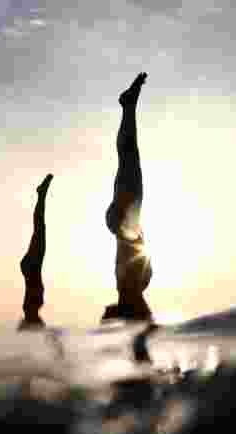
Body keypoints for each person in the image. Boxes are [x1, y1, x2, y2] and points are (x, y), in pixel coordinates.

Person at [102, 73, 153, 322]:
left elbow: (142, 272)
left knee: (129, 158)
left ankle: (129, 106)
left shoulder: (129, 294)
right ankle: (129, 107)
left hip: (125, 224)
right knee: (128, 158)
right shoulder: (126, 291)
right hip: (124, 224)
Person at [19, 174, 54, 329]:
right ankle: (41, 195)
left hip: (33, 267)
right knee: (40, 228)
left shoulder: (30, 309)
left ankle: (41, 196)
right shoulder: (31, 309)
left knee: (40, 228)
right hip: (32, 267)